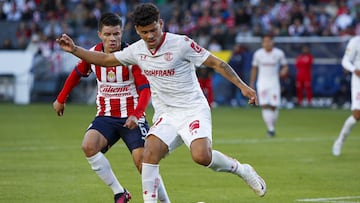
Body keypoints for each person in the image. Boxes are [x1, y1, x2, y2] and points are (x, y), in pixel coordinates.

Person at [56, 3, 266, 202]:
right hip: (166, 113)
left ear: (161, 24)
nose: (150, 36)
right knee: (149, 153)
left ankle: (242, 169)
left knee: (201, 156)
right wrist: (75, 49)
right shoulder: (136, 50)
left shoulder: (181, 44)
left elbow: (216, 63)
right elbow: (105, 60)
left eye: (153, 30)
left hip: (192, 109)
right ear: (137, 30)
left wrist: (243, 86)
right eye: (145, 32)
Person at [53, 13, 170, 203]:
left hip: (132, 117)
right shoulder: (93, 53)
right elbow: (77, 73)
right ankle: (119, 192)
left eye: (116, 34)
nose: (112, 38)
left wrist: (137, 114)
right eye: (107, 34)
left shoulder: (132, 55)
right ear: (100, 34)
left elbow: (145, 89)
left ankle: (165, 202)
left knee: (144, 163)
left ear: (121, 32)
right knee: (88, 146)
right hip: (106, 116)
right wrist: (61, 98)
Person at [250, 34, 289, 137]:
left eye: (269, 41)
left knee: (274, 106)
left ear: (273, 42)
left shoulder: (279, 53)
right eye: (265, 41)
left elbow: (285, 66)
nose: (267, 43)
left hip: (274, 83)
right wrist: (252, 83)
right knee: (264, 105)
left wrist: (283, 72)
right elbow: (254, 68)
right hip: (262, 82)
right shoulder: (258, 54)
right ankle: (271, 129)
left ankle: (271, 126)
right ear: (262, 43)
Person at [332, 35, 360, 156]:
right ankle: (340, 141)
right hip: (358, 81)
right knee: (357, 115)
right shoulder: (355, 41)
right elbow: (345, 60)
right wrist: (354, 69)